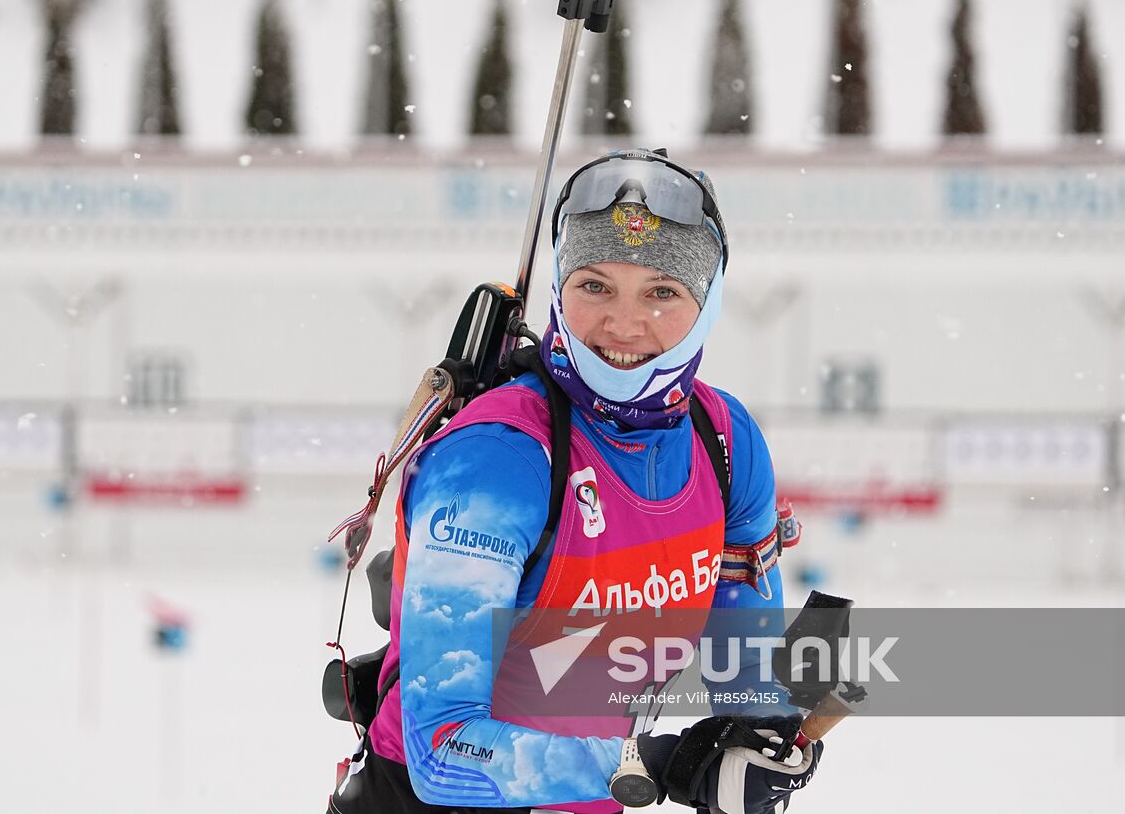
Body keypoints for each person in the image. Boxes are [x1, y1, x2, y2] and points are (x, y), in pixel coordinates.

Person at [328, 149, 821, 814]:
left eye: (661, 292)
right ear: (561, 285)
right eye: (595, 285)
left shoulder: (726, 443)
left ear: (707, 302)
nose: (623, 323)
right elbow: (442, 750)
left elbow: (747, 667)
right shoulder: (499, 457)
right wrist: (652, 762)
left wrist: (765, 740)